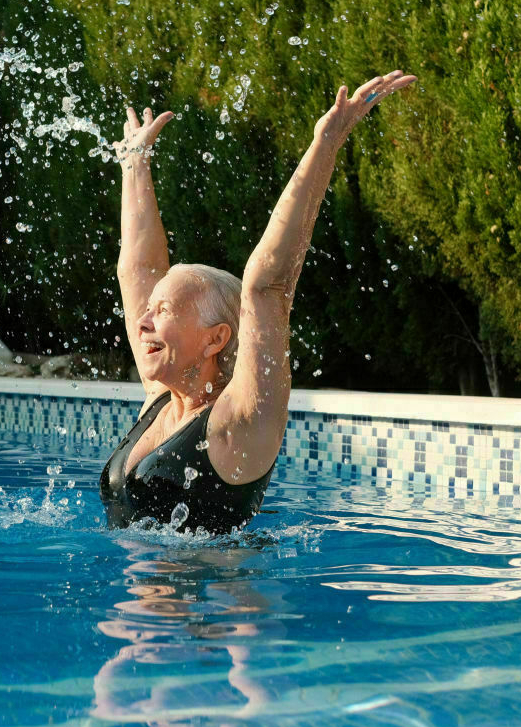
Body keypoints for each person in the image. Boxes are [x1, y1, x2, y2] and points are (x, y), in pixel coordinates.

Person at [99, 71, 417, 533]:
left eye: (164, 311)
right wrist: (134, 164)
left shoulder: (240, 421)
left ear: (216, 340)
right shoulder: (161, 400)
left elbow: (267, 285)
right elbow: (137, 269)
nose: (142, 322)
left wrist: (324, 144)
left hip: (211, 602)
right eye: (149, 310)